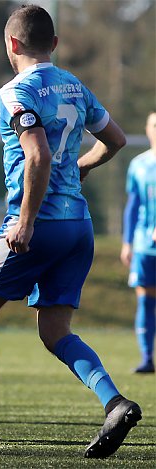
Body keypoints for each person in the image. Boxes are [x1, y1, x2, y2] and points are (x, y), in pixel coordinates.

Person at [0, 6, 141, 459]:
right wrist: (81, 167)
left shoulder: (15, 91)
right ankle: (115, 403)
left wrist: (26, 220)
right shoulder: (75, 85)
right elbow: (116, 140)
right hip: (78, 226)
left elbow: (38, 155)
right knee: (54, 330)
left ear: (11, 44)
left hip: (39, 223)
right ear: (55, 44)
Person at [121, 110, 156, 374]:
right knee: (145, 300)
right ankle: (146, 358)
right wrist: (127, 242)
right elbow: (132, 206)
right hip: (145, 245)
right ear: (146, 129)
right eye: (154, 125)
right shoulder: (139, 164)